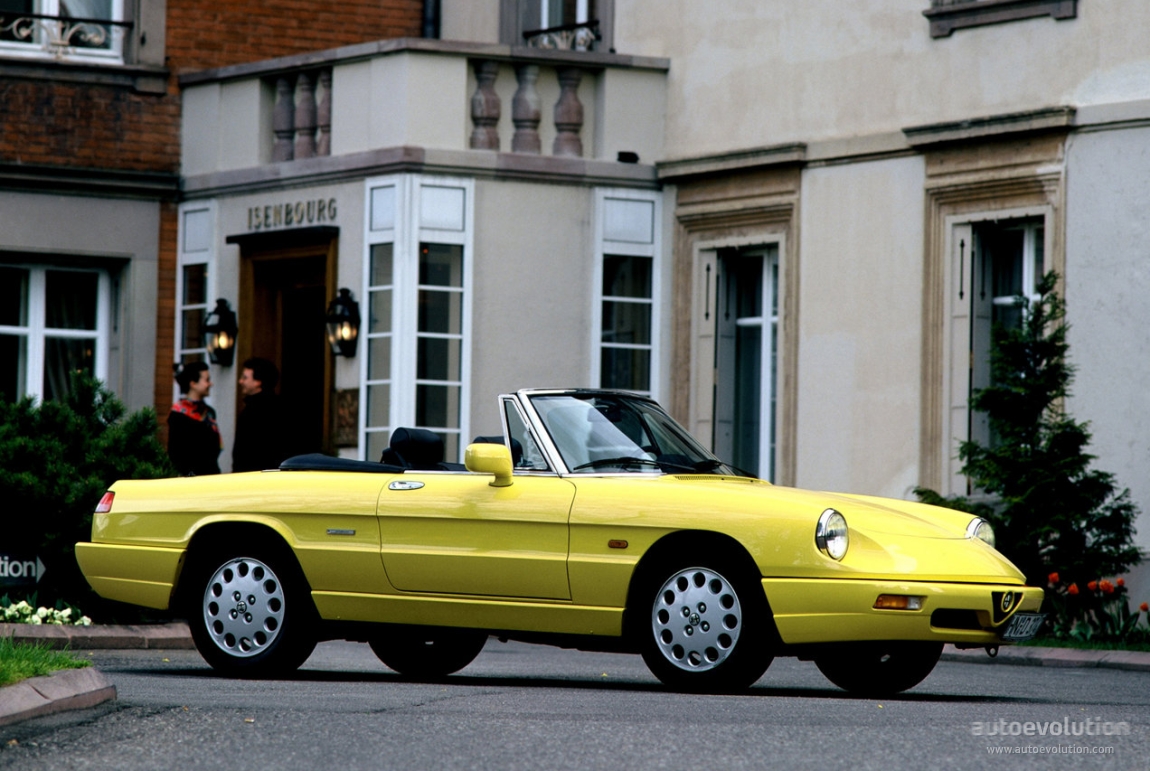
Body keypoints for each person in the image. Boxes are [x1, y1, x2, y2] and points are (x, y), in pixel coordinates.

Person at [232, 357, 288, 472]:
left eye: (245, 377)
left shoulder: (256, 411)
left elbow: (245, 451)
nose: (240, 381)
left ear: (258, 382)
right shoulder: (279, 407)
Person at [168, 361, 222, 476]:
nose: (211, 384)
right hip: (191, 480)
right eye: (207, 380)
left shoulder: (209, 412)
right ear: (193, 384)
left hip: (211, 476)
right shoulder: (178, 414)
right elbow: (175, 454)